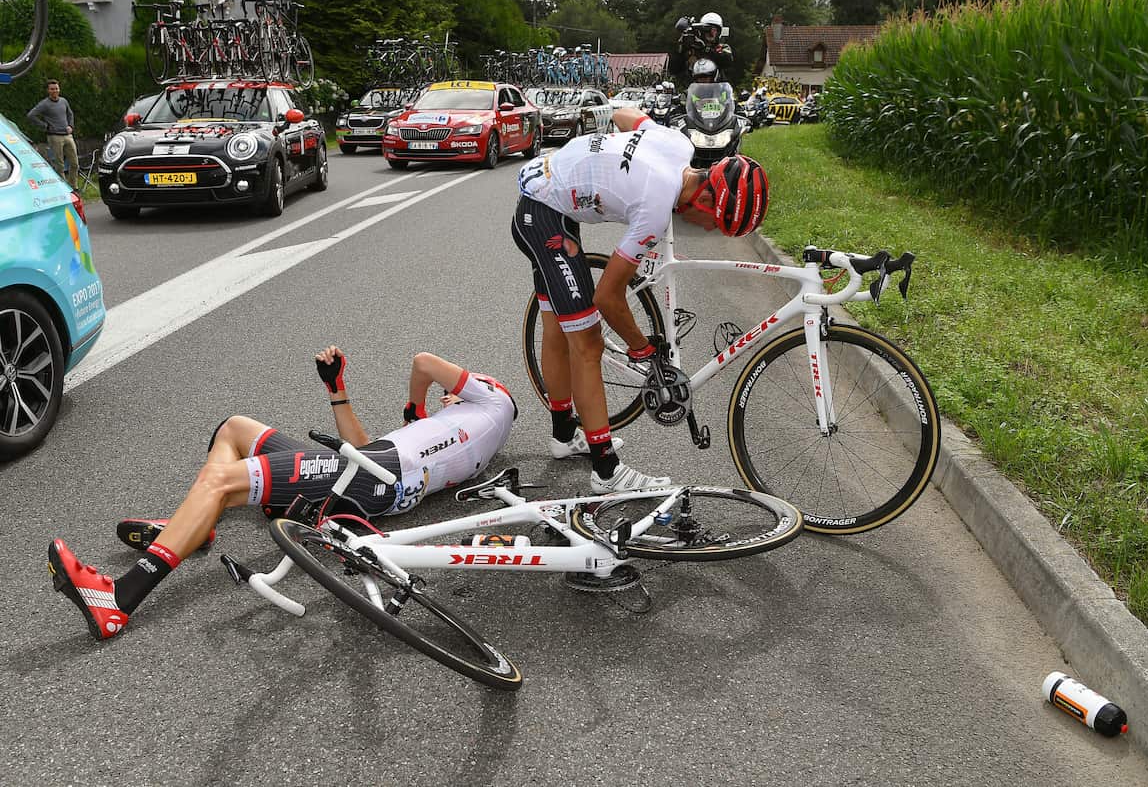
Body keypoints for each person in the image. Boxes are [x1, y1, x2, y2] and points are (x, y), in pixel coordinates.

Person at [48, 346, 518, 641]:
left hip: (377, 477)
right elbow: (363, 450)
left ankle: (120, 598)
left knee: (221, 481)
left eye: (453, 395)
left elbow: (424, 363)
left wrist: (415, 407)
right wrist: (337, 389)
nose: (446, 397)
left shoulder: (494, 401)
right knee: (235, 428)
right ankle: (193, 527)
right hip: (374, 473)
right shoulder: (455, 432)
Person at [512, 106, 769, 493]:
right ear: (704, 199)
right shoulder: (654, 207)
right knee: (587, 343)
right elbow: (608, 296)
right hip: (543, 213)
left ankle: (564, 436)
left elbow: (624, 115)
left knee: (556, 327)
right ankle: (606, 471)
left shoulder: (677, 144)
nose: (709, 231)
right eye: (716, 224)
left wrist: (604, 161)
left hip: (550, 195)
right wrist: (642, 348)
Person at [28, 79, 78, 188]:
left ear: (59, 89)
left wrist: (71, 125)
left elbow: (70, 114)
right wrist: (45, 126)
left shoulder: (64, 101)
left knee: (74, 163)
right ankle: (64, 188)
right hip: (54, 137)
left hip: (67, 136)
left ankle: (73, 186)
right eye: (52, 89)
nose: (55, 91)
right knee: (59, 166)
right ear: (48, 90)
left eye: (56, 88)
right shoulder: (44, 104)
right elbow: (31, 115)